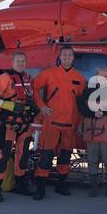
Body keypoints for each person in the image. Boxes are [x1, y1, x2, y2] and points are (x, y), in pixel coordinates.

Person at [32, 46, 86, 200]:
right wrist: (42, 107)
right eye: (64, 55)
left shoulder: (80, 78)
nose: (67, 57)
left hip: (70, 124)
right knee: (46, 156)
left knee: (65, 157)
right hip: (52, 123)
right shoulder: (49, 74)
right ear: (60, 57)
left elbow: (81, 104)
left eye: (70, 55)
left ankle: (61, 185)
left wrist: (80, 123)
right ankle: (40, 188)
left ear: (73, 58)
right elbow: (34, 87)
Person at [0, 51, 36, 202]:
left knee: (23, 155)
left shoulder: (28, 78)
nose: (21, 63)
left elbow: (31, 97)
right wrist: (10, 105)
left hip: (25, 123)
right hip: (10, 123)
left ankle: (20, 185)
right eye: (18, 61)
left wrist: (34, 108)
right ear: (12, 62)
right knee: (5, 154)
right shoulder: (4, 78)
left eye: (23, 61)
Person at [78, 65, 107, 198]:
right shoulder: (89, 90)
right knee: (92, 158)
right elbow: (81, 105)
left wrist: (102, 111)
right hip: (92, 129)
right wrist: (93, 112)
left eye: (106, 76)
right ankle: (93, 187)